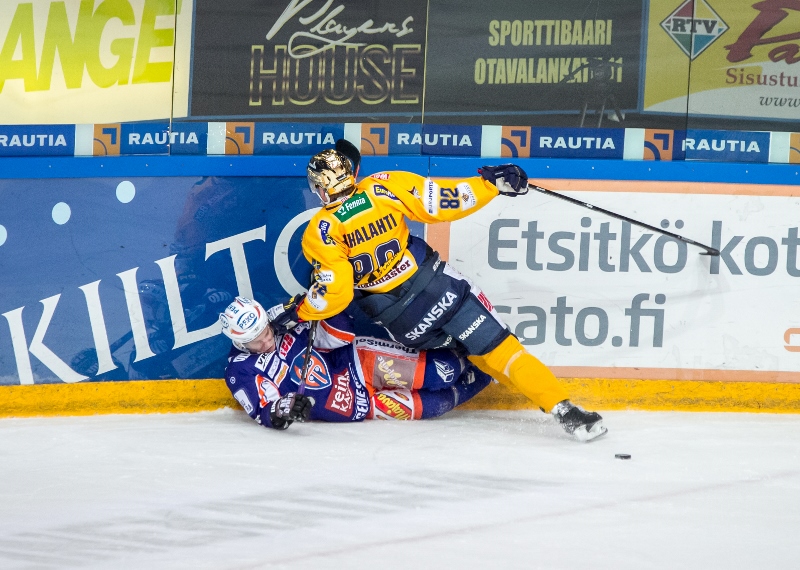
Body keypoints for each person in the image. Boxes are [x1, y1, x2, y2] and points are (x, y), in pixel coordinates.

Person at [270, 140, 607, 442]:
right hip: (439, 288)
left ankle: (473, 367)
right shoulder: (382, 187)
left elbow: (337, 294)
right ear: (351, 172)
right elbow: (444, 202)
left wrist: (300, 311)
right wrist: (490, 185)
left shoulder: (319, 232)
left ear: (319, 188)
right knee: (501, 350)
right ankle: (565, 411)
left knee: (469, 353)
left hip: (404, 321)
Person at [219, 297, 491, 430]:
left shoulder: (283, 318)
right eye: (257, 341)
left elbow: (340, 332)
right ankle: (489, 378)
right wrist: (285, 408)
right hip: (353, 407)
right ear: (240, 342)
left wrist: (318, 302)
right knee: (436, 405)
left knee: (442, 373)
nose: (267, 342)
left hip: (359, 362)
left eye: (266, 332)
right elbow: (265, 412)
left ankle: (489, 360)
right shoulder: (239, 370)